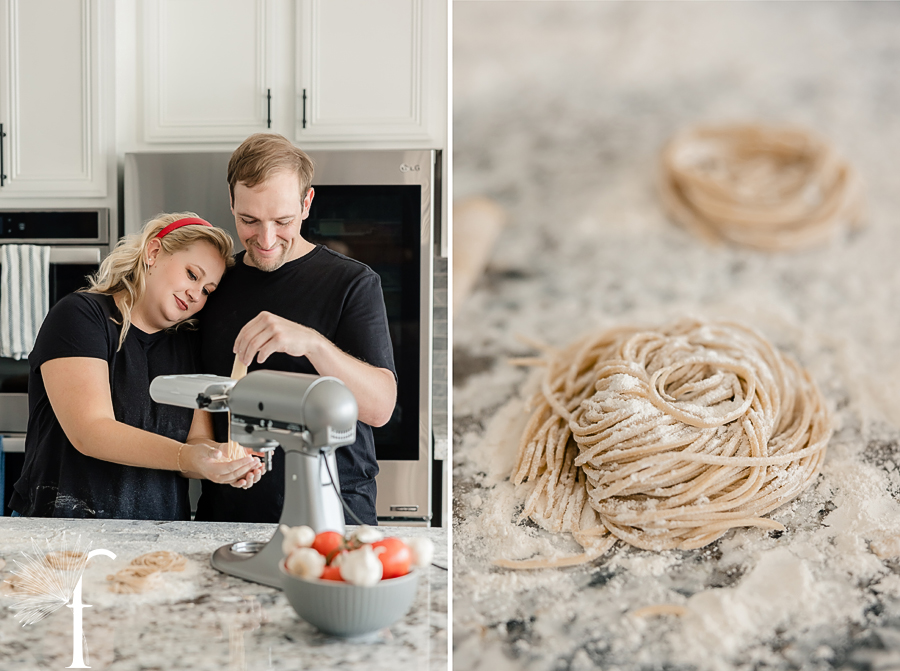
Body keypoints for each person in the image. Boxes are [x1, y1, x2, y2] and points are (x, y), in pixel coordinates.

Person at [195, 133, 397, 525]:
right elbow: (202, 405)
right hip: (228, 517)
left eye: (282, 221)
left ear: (306, 205)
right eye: (248, 221)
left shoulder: (352, 283)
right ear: (232, 205)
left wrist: (312, 343)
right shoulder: (215, 285)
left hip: (336, 516)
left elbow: (380, 408)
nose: (266, 240)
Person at [9, 214, 264, 520]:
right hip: (63, 530)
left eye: (207, 290)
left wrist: (222, 459)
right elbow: (90, 431)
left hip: (158, 534)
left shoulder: (187, 344)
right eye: (191, 275)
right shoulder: (80, 317)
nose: (196, 294)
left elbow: (195, 439)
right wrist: (186, 457)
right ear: (153, 253)